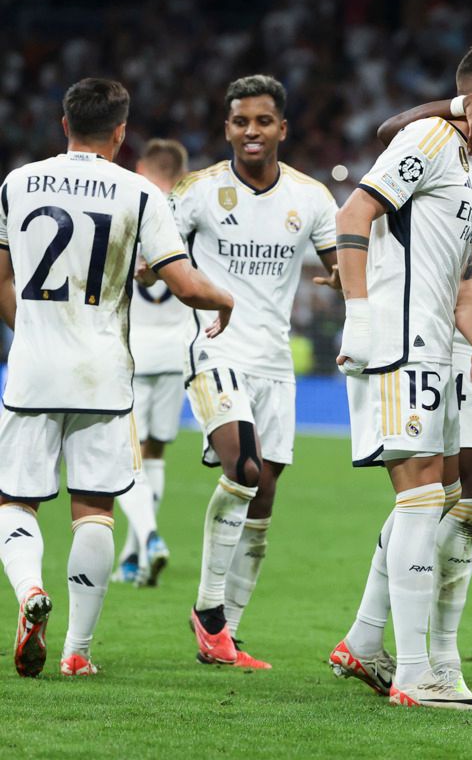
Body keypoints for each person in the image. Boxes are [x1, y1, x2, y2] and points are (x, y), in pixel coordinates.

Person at [0, 78, 232, 677]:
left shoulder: (17, 184)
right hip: (102, 371)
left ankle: (29, 591)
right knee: (95, 509)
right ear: (122, 132)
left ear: (63, 122)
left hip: (31, 365)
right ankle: (78, 652)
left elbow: (1, 279)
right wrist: (223, 300)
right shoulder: (138, 192)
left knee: (15, 500)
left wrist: (30, 332)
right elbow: (183, 283)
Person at [333, 42, 472, 708]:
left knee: (438, 496)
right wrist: (359, 318)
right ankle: (418, 673)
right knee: (422, 496)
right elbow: (353, 214)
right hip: (396, 339)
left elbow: (465, 279)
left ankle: (365, 642)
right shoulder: (430, 137)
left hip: (438, 345)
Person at [172, 75, 339, 669]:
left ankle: (227, 636)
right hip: (216, 352)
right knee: (241, 467)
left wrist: (348, 279)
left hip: (274, 363)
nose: (251, 131)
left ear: (282, 129)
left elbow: (341, 260)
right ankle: (209, 611)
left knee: (263, 496)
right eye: (241, 121)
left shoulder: (311, 197)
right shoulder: (196, 192)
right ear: (227, 128)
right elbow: (155, 256)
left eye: (263, 121)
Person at [112, 139, 191, 587]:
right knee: (155, 454)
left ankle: (148, 536)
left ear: (141, 167)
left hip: (133, 349)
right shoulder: (188, 214)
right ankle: (134, 557)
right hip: (176, 349)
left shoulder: (132, 204)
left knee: (128, 458)